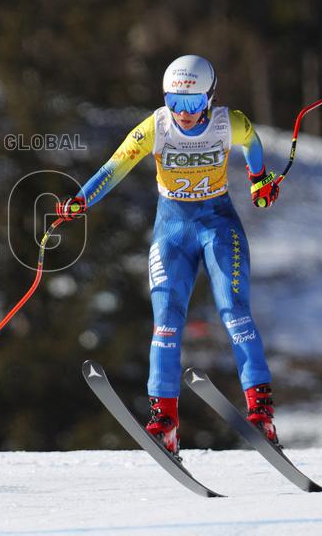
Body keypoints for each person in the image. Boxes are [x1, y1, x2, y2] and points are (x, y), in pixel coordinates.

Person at [56, 55, 281, 456]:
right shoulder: (156, 127)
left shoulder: (229, 122)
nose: (184, 114)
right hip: (172, 230)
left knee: (235, 312)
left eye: (193, 105)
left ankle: (261, 412)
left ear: (209, 99)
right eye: (175, 103)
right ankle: (164, 419)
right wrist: (81, 201)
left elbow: (253, 142)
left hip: (217, 225)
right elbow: (115, 166)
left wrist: (259, 178)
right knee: (166, 323)